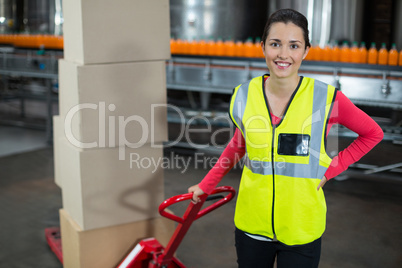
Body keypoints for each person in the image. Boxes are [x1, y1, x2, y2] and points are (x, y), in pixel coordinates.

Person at [188, 8, 384, 268]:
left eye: (293, 45)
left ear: (305, 51)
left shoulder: (326, 98)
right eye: (275, 44)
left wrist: (332, 168)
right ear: (263, 47)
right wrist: (206, 185)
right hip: (252, 223)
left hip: (302, 227)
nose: (283, 54)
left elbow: (373, 133)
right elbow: (238, 144)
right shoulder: (243, 96)